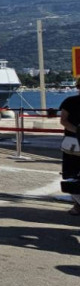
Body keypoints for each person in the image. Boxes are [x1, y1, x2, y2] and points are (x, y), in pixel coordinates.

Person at [58, 77, 80, 216]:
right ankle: (77, 205)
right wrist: (77, 131)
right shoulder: (70, 101)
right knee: (73, 175)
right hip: (74, 145)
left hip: (73, 143)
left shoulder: (70, 101)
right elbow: (63, 120)